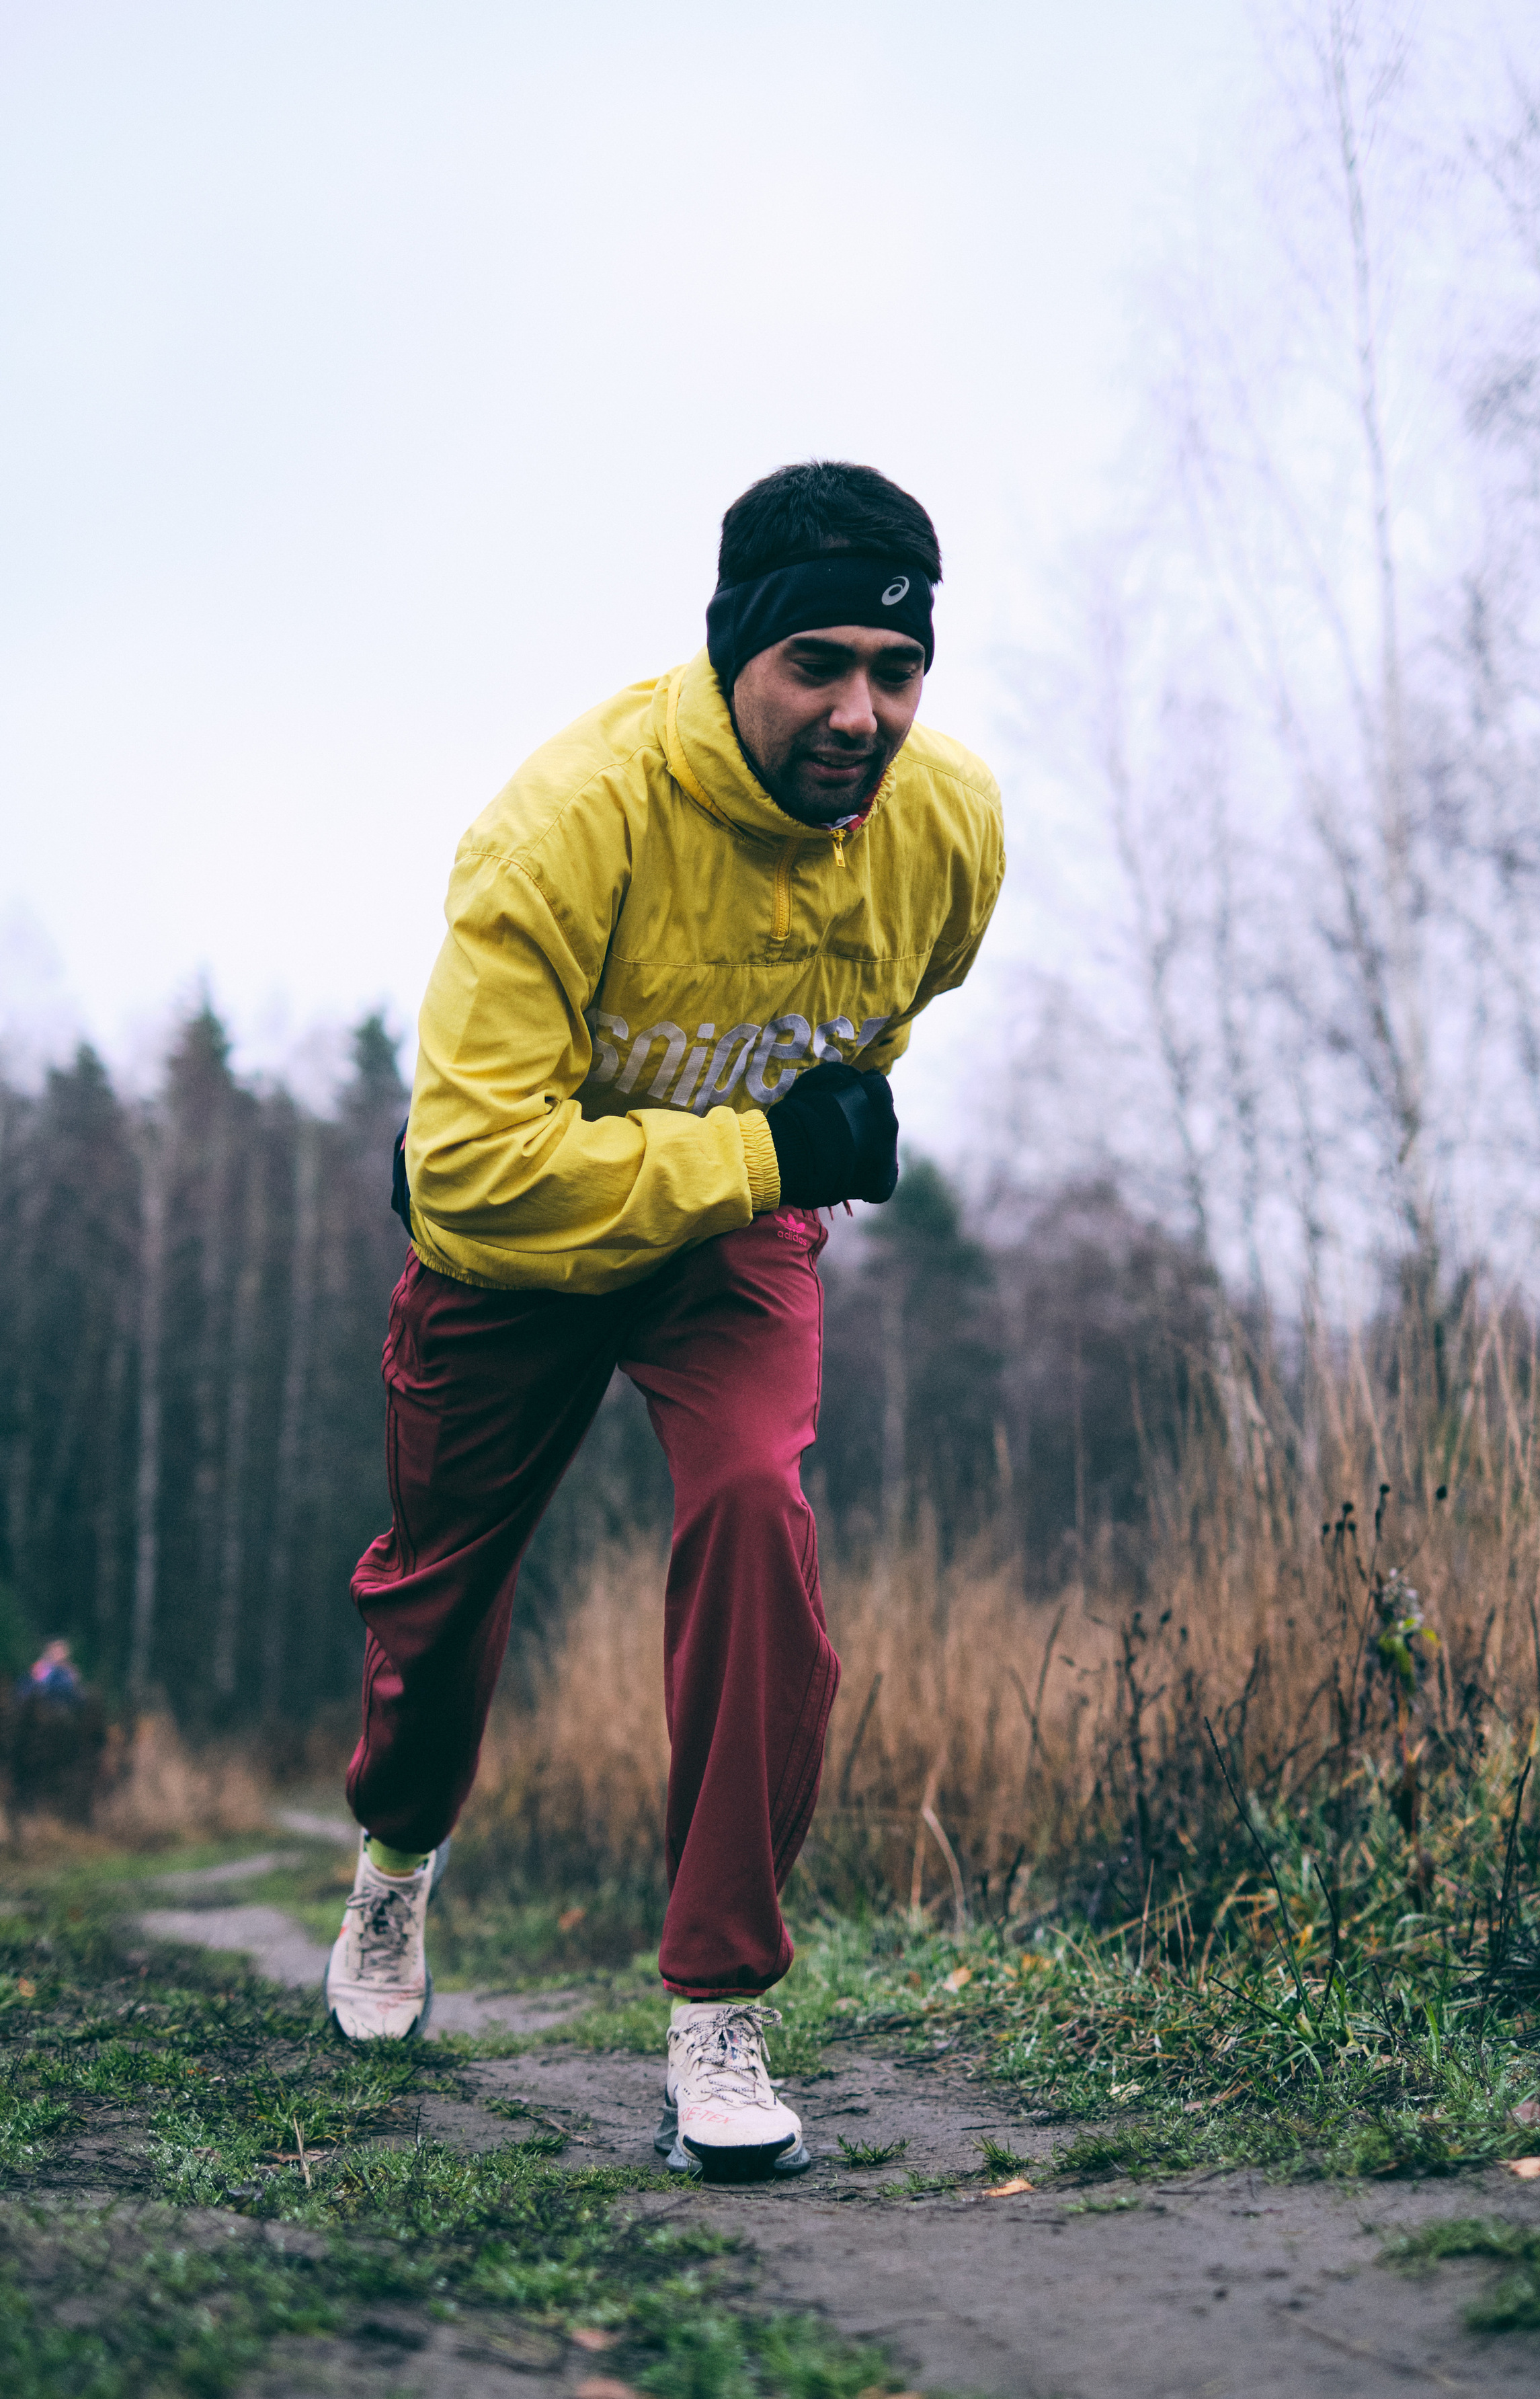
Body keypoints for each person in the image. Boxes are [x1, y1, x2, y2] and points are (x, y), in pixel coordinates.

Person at [325, 460, 1006, 2181]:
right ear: (731, 653)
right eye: (815, 666)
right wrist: (772, 1147)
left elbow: (881, 1008)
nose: (858, 713)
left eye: (896, 672)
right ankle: (395, 1863)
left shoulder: (949, 827)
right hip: (517, 1245)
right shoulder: (567, 822)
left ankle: (719, 2006)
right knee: (437, 1591)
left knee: (756, 1508)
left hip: (724, 1240)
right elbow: (472, 1168)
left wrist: (789, 1148)